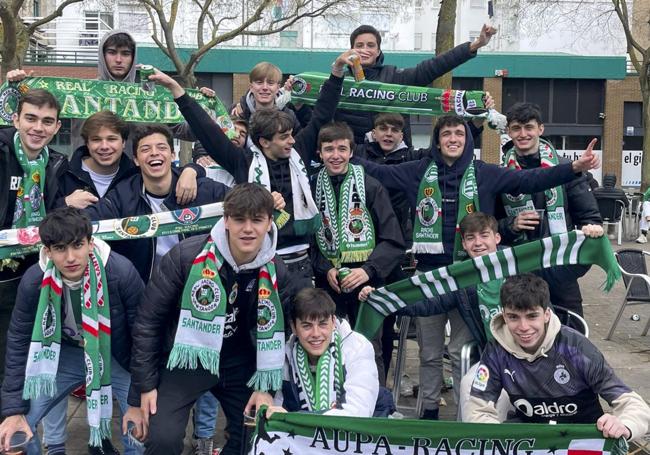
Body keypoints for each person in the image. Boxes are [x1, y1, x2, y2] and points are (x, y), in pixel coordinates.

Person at [352, 113, 600, 420]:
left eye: (459, 133)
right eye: (446, 134)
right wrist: (344, 155)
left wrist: (574, 168)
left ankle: (463, 415)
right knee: (429, 353)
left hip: (470, 274)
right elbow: (379, 172)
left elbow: (528, 179)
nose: (453, 139)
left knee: (459, 352)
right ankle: (428, 411)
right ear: (437, 141)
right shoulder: (418, 171)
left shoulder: (485, 172)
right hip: (428, 276)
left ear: (467, 139)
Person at [154, 51, 356, 291]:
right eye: (284, 137)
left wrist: (337, 72)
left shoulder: (298, 151)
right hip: (258, 262)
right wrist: (177, 91)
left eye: (291, 134)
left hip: (301, 263)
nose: (292, 141)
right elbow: (207, 130)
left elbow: (322, 112)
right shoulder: (243, 162)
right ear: (264, 142)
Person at [129, 183, 297, 455]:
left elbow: (280, 336)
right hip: (186, 359)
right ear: (226, 220)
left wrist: (267, 388)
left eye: (257, 220)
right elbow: (148, 323)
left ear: (269, 224)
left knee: (257, 435)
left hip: (239, 363)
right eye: (239, 219)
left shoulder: (276, 270)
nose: (248, 229)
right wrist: (143, 390)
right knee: (163, 438)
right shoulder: (186, 257)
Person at [0, 207, 145, 455]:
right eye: (59, 248)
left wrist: (138, 397)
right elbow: (19, 340)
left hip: (113, 354)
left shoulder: (120, 271)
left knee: (144, 423)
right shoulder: (35, 280)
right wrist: (12, 410)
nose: (70, 257)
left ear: (90, 244)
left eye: (77, 245)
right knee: (15, 432)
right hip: (64, 355)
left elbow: (143, 335)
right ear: (47, 251)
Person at [465, 273, 650, 442]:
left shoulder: (576, 348)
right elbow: (477, 408)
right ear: (504, 316)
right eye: (514, 317)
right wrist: (497, 440)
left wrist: (624, 424)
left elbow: (632, 403)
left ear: (546, 314)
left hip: (582, 439)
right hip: (530, 441)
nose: (523, 327)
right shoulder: (496, 350)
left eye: (532, 316)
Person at [311, 122, 404, 382]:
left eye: (342, 148)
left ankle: (378, 410)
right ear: (320, 153)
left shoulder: (371, 186)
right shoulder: (310, 186)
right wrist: (325, 268)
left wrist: (366, 271)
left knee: (370, 347)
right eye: (329, 149)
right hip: (330, 283)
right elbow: (308, 240)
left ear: (352, 151)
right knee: (328, 346)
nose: (336, 155)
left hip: (368, 280)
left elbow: (393, 240)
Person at [84, 124, 229, 283]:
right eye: (145, 149)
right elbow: (83, 222)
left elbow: (245, 201)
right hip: (144, 287)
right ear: (136, 160)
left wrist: (194, 169)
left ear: (173, 155)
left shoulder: (202, 189)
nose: (154, 153)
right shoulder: (122, 196)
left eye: (161, 147)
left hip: (199, 282)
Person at [497, 103, 602, 319]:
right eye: (516, 128)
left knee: (571, 340)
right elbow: (490, 226)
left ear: (540, 129)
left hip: (560, 273)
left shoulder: (567, 169)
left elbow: (589, 217)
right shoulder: (499, 175)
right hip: (518, 275)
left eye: (529, 127)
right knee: (523, 338)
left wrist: (591, 228)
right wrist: (511, 225)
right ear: (508, 132)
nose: (523, 134)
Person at [0, 87, 68, 412]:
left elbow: (55, 215)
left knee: (14, 366)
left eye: (47, 121)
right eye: (30, 118)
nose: (38, 127)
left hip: (27, 278)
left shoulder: (55, 164)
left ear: (57, 127)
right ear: (14, 119)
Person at [337, 24, 497, 146]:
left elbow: (434, 66)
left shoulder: (395, 77)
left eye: (370, 45)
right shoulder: (338, 84)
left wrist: (475, 45)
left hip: (398, 165)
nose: (365, 50)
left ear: (378, 51)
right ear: (351, 49)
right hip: (354, 163)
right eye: (359, 45)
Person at [57, 110, 207, 210]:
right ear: (87, 143)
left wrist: (192, 170)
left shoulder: (136, 173)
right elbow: (40, 216)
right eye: (96, 140)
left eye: (111, 139)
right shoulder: (63, 173)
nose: (104, 146)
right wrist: (65, 204)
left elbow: (168, 174)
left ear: (123, 143)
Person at [266, 288, 379, 418]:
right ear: (293, 327)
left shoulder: (358, 347)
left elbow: (359, 412)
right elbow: (279, 405)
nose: (316, 334)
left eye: (323, 324)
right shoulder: (285, 355)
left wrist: (295, 418)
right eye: (307, 326)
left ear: (333, 322)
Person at [192, 116, 249, 188]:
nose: (237, 135)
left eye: (242, 134)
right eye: (233, 130)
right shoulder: (198, 165)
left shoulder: (246, 171)